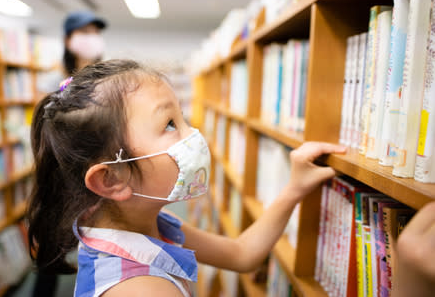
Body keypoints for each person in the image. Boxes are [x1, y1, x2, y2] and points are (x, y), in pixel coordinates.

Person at [26, 59, 434, 296]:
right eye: (170, 124)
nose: (194, 133)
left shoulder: (141, 223)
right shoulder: (139, 289)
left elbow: (241, 255)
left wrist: (293, 188)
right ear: (112, 180)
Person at [63, 10, 107, 75]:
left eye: (97, 32)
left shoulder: (109, 80)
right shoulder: (54, 83)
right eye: (85, 31)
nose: (92, 37)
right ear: (67, 40)